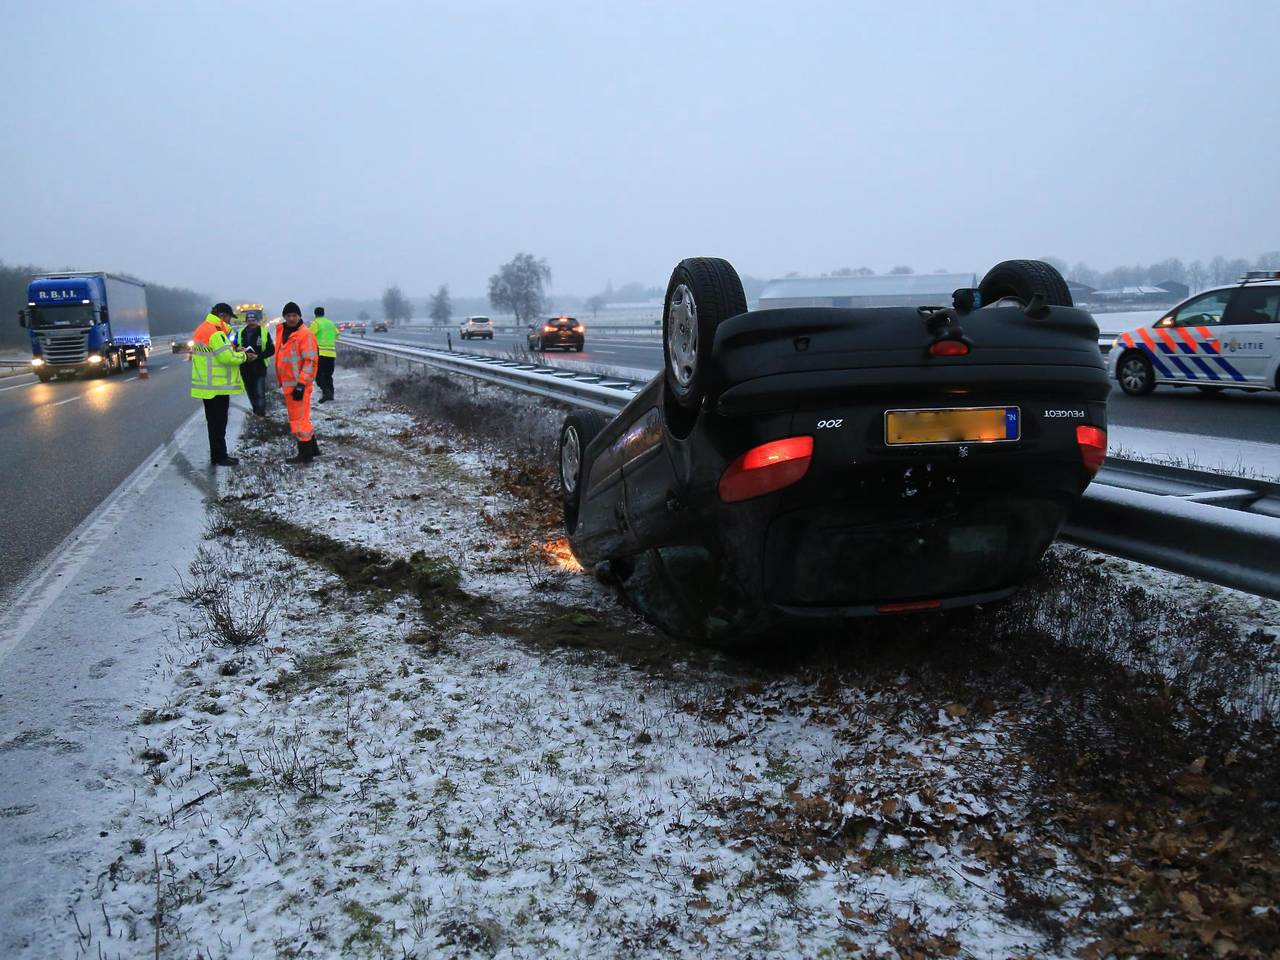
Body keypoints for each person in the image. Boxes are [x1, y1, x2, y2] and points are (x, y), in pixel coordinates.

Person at [191, 303, 254, 467]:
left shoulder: (202, 328)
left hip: (206, 384)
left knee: (213, 423)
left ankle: (217, 455)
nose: (228, 322)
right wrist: (245, 357)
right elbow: (226, 358)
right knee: (219, 423)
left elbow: (218, 351)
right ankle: (220, 456)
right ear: (222, 315)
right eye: (227, 318)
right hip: (216, 386)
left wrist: (235, 349)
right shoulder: (215, 332)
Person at [275, 302, 321, 464]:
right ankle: (313, 449)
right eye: (288, 315)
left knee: (299, 421)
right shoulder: (282, 332)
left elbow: (310, 362)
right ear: (284, 317)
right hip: (289, 385)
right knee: (301, 418)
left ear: (299, 316)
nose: (291, 318)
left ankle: (305, 455)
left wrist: (301, 384)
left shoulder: (305, 334)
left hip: (299, 386)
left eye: (294, 315)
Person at [236, 311, 274, 417]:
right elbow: (233, 347)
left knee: (259, 392)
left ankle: (260, 414)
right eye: (249, 320)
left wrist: (258, 356)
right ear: (246, 321)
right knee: (250, 392)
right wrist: (237, 348)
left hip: (259, 367)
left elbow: (271, 350)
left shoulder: (264, 332)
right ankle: (255, 411)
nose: (251, 322)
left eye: (253, 320)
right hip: (245, 367)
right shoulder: (240, 333)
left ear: (257, 321)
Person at [311, 306, 339, 402]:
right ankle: (331, 394)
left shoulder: (316, 323)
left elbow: (309, 336)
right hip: (331, 352)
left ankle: (326, 392)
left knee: (319, 375)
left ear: (315, 314)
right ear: (324, 313)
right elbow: (337, 334)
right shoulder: (330, 323)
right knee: (328, 375)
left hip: (321, 352)